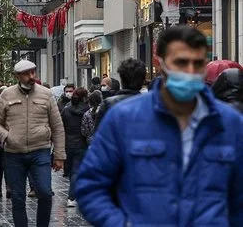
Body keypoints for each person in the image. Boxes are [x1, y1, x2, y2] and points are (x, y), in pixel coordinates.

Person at [76, 25, 243, 226]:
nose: (190, 72)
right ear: (160, 64)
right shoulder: (125, 119)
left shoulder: (229, 123)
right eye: (181, 63)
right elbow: (90, 188)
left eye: (197, 64)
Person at [0, 59, 65, 227]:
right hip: (14, 154)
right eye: (26, 74)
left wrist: (59, 155)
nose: (31, 76)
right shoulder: (7, 94)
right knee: (17, 197)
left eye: (33, 72)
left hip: (40, 151)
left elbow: (57, 126)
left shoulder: (46, 94)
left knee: (45, 192)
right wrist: (7, 137)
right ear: (17, 76)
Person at [93, 58, 147, 128]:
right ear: (143, 81)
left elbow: (99, 133)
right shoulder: (149, 105)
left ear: (121, 80)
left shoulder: (108, 104)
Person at [60, 87, 89, 208]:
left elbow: (60, 127)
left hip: (68, 144)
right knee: (76, 171)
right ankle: (72, 197)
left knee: (72, 171)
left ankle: (74, 194)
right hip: (81, 144)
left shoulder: (66, 110)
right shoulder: (87, 110)